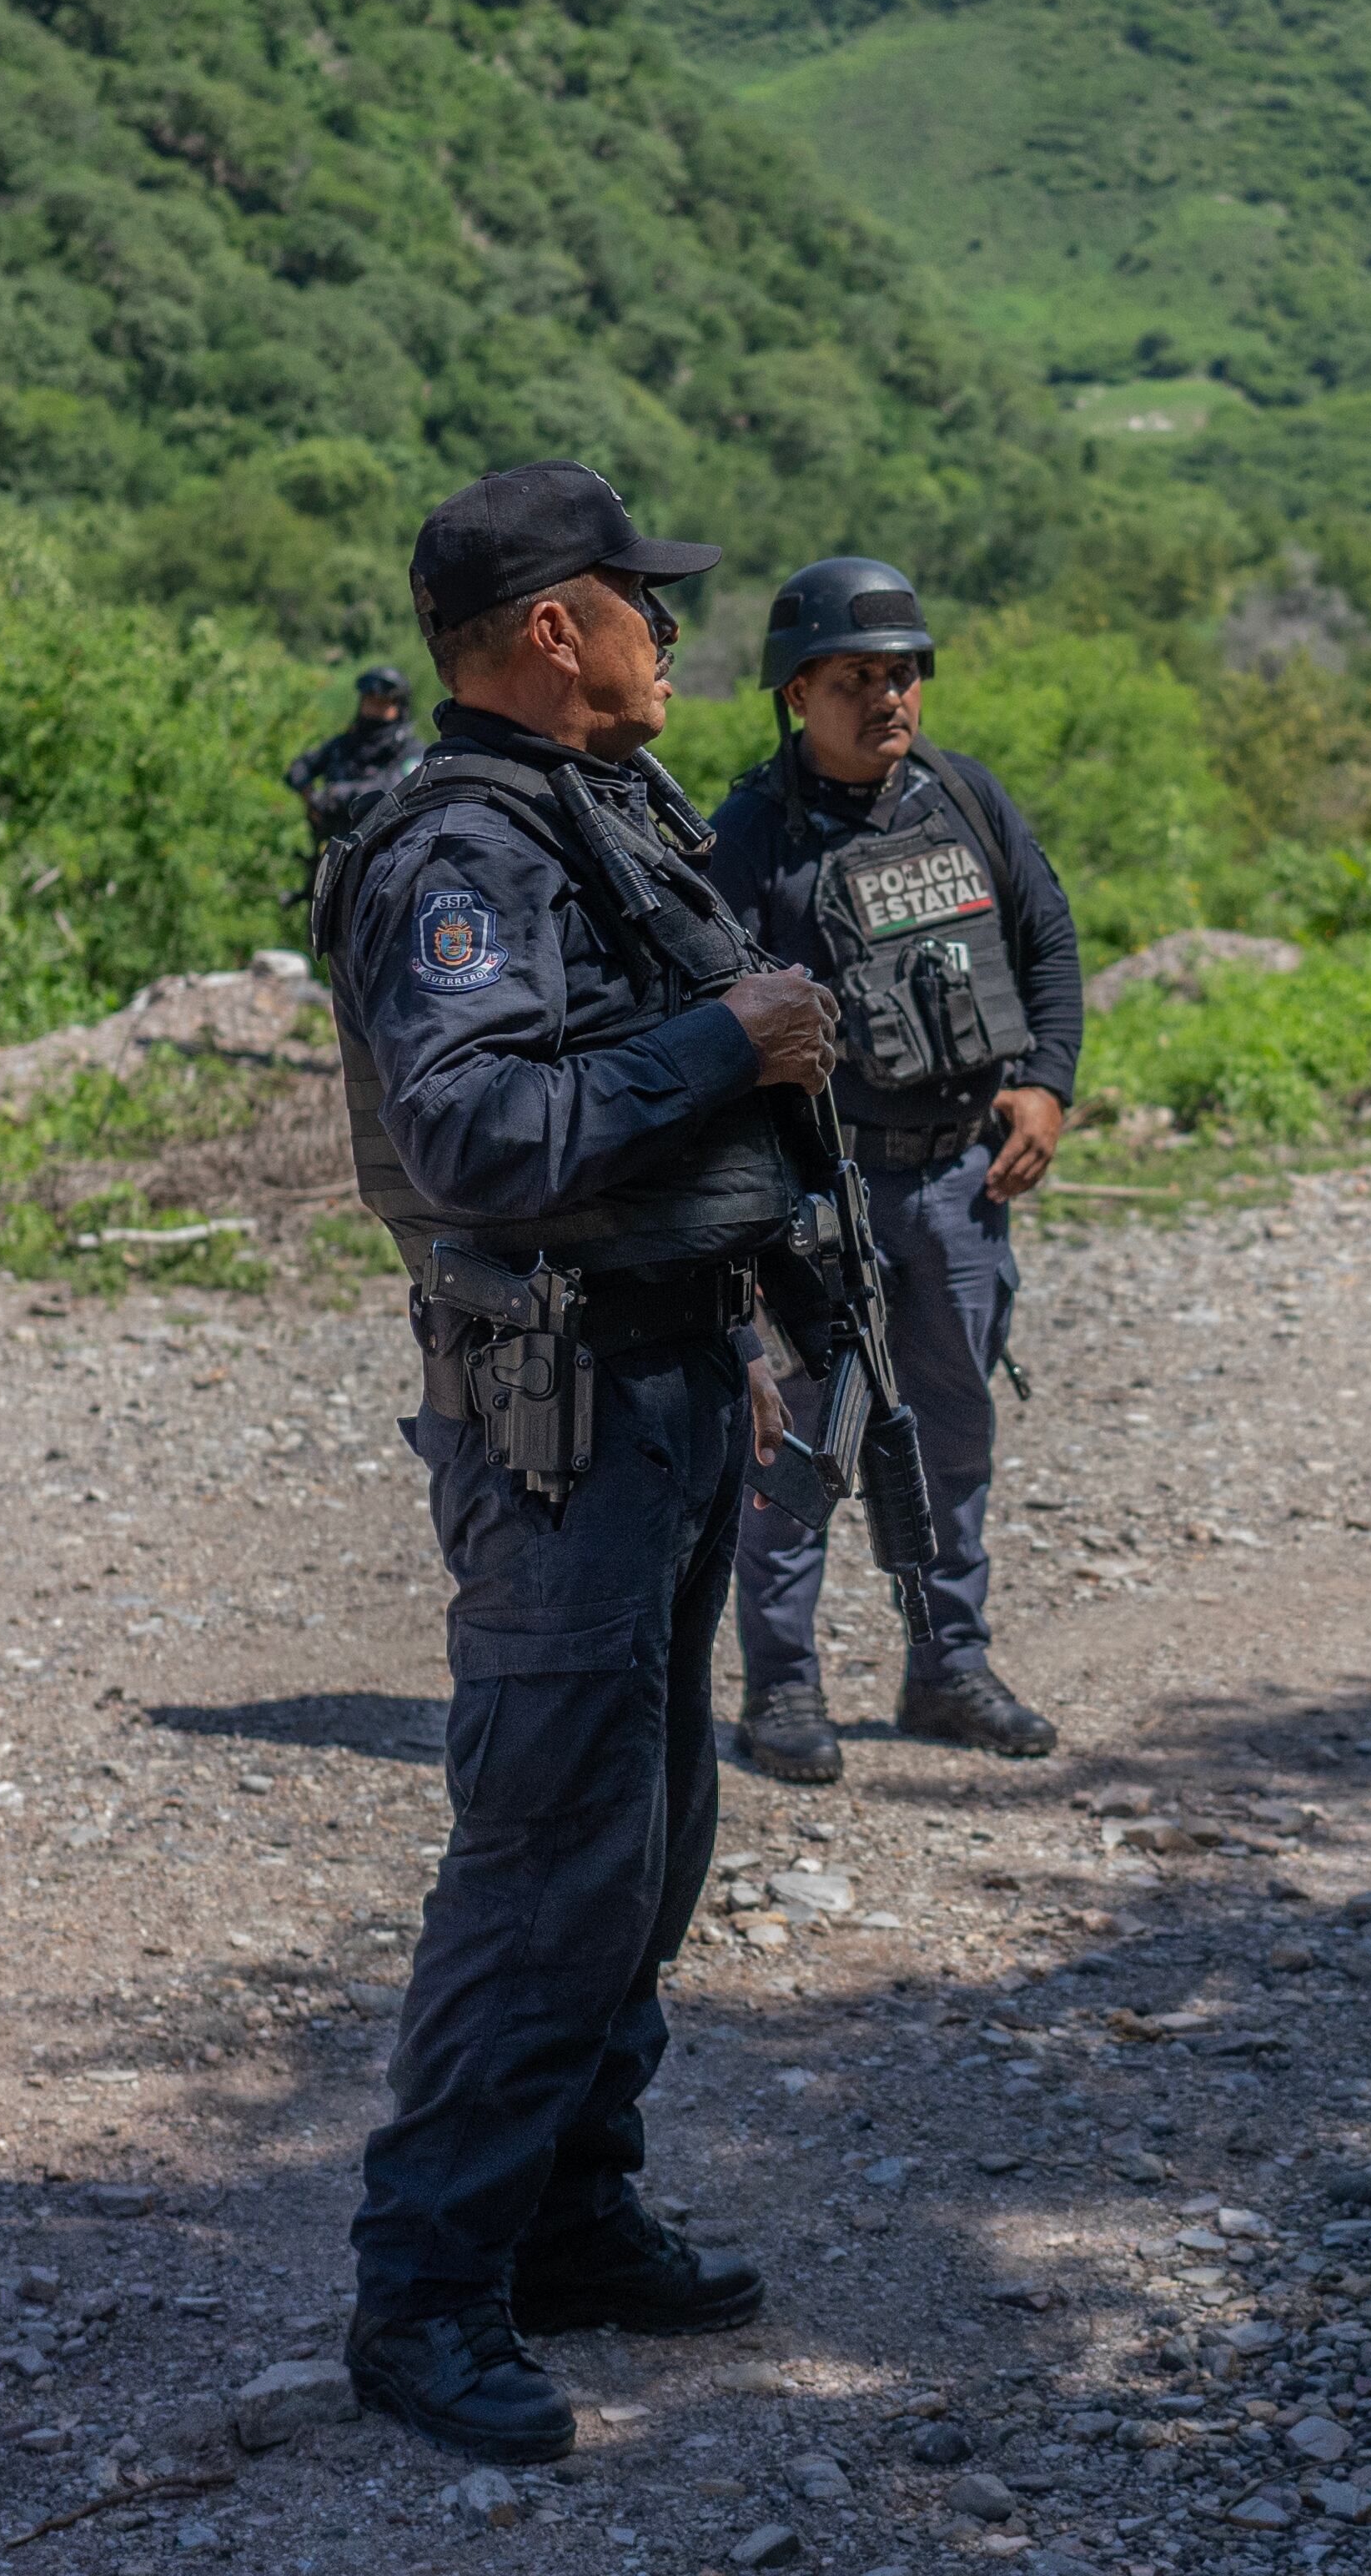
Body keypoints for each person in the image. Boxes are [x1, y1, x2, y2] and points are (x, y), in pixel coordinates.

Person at [312, 462, 841, 2461]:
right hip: (562, 1416)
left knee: (650, 1831)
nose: (670, 627)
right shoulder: (456, 841)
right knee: (546, 1856)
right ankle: (425, 2293)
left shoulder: (585, 807)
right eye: (642, 596)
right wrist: (735, 1039)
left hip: (664, 1381)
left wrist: (748, 1320)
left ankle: (569, 2211)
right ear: (554, 627)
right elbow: (470, 1133)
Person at [703, 556, 1084, 1781]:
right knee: (802, 1448)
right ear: (795, 693)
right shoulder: (750, 838)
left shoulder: (964, 799)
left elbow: (1048, 939)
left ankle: (947, 1668)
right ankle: (785, 1689)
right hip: (820, 1200)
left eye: (905, 673)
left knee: (951, 1436)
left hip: (961, 1186)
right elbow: (707, 1024)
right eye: (857, 678)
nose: (890, 699)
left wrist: (1049, 1081)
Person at [288, 663, 421, 848]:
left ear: (399, 707)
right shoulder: (345, 744)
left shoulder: (409, 750)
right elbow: (300, 767)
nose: (374, 708)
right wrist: (310, 798)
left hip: (380, 855)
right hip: (331, 850)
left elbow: (394, 789)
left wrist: (334, 795)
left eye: (382, 703)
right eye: (369, 701)